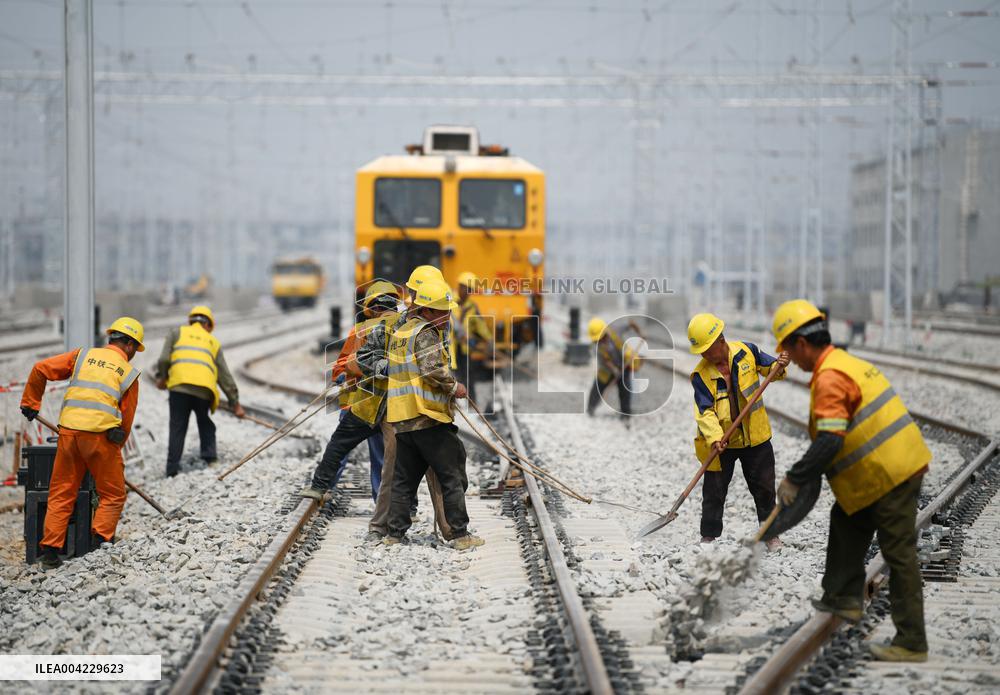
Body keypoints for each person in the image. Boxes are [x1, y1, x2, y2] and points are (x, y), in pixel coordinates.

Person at [772, 299, 931, 663]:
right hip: (882, 469)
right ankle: (842, 599)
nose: (791, 361)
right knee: (846, 520)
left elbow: (830, 439)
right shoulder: (845, 361)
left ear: (801, 344)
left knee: (898, 552)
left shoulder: (829, 377)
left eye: (790, 352)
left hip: (892, 474)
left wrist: (795, 478)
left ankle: (912, 642)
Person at [19, 317, 145, 569]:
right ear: (129, 345)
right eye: (135, 348)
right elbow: (126, 420)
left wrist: (31, 403)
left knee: (62, 491)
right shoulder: (129, 373)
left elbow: (41, 368)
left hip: (68, 433)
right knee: (113, 493)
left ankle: (51, 552)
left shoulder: (83, 356)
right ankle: (100, 543)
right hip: (100, 438)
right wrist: (114, 449)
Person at [382, 279, 484, 551]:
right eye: (441, 311)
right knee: (452, 473)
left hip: (404, 420)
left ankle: (394, 534)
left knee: (404, 480)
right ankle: (460, 535)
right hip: (428, 418)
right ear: (426, 310)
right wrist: (455, 386)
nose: (446, 316)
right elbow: (431, 370)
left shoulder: (401, 332)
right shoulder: (424, 333)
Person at [354, 266, 454, 540]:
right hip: (401, 411)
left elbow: (441, 364)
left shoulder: (442, 323)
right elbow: (364, 358)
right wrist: (389, 367)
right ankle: (381, 527)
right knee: (394, 469)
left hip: (432, 410)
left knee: (441, 471)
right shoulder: (391, 325)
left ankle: (450, 529)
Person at [687, 312, 789, 549]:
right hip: (723, 441)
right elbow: (704, 412)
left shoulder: (747, 352)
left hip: (756, 437)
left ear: (720, 341)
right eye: (700, 351)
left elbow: (772, 370)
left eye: (707, 349)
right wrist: (714, 438)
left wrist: (780, 365)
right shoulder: (701, 375)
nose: (704, 355)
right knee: (714, 490)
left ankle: (770, 535)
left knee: (764, 488)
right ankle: (709, 536)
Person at [300, 281, 401, 505]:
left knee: (339, 445)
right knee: (387, 459)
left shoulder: (362, 330)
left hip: (363, 404)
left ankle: (320, 487)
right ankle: (389, 505)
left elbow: (345, 365)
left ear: (371, 307)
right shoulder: (405, 329)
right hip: (394, 407)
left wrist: (344, 377)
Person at [155, 305, 245, 478]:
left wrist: (162, 377)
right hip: (204, 390)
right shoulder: (213, 342)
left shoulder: (177, 333)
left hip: (179, 387)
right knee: (205, 422)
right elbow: (225, 376)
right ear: (209, 325)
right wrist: (236, 404)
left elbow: (164, 358)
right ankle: (210, 459)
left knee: (177, 427)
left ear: (191, 321)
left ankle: (172, 469)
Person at [452, 271, 494, 407]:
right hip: (450, 347)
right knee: (452, 375)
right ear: (459, 287)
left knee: (468, 375)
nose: (466, 291)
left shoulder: (472, 307)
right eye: (463, 288)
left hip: (464, 347)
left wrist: (489, 339)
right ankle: (453, 403)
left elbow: (479, 324)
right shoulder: (450, 302)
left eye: (469, 289)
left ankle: (471, 402)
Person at [585, 318, 638, 418]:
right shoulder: (595, 346)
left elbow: (631, 322)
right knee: (597, 387)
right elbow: (605, 361)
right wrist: (615, 370)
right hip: (606, 369)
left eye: (601, 337)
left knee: (625, 390)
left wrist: (640, 333)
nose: (599, 341)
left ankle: (625, 414)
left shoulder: (615, 329)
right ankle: (590, 409)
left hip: (624, 364)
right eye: (597, 340)